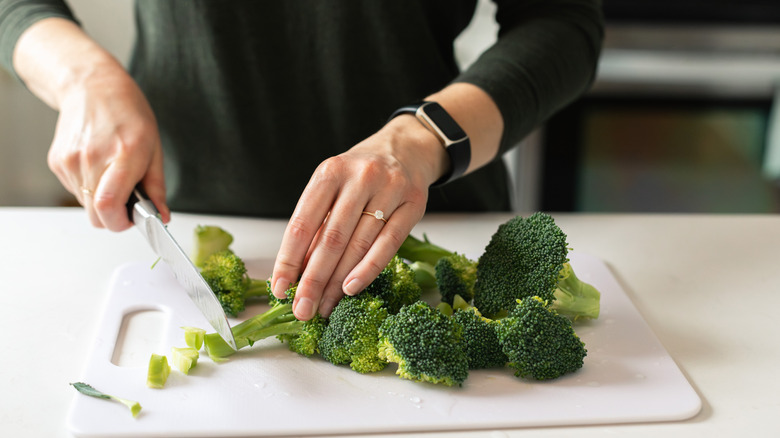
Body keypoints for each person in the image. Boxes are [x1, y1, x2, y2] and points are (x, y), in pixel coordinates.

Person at [0, 1, 604, 321]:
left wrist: (422, 138)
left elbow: (561, 18)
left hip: (431, 207)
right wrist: (79, 75)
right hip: (182, 208)